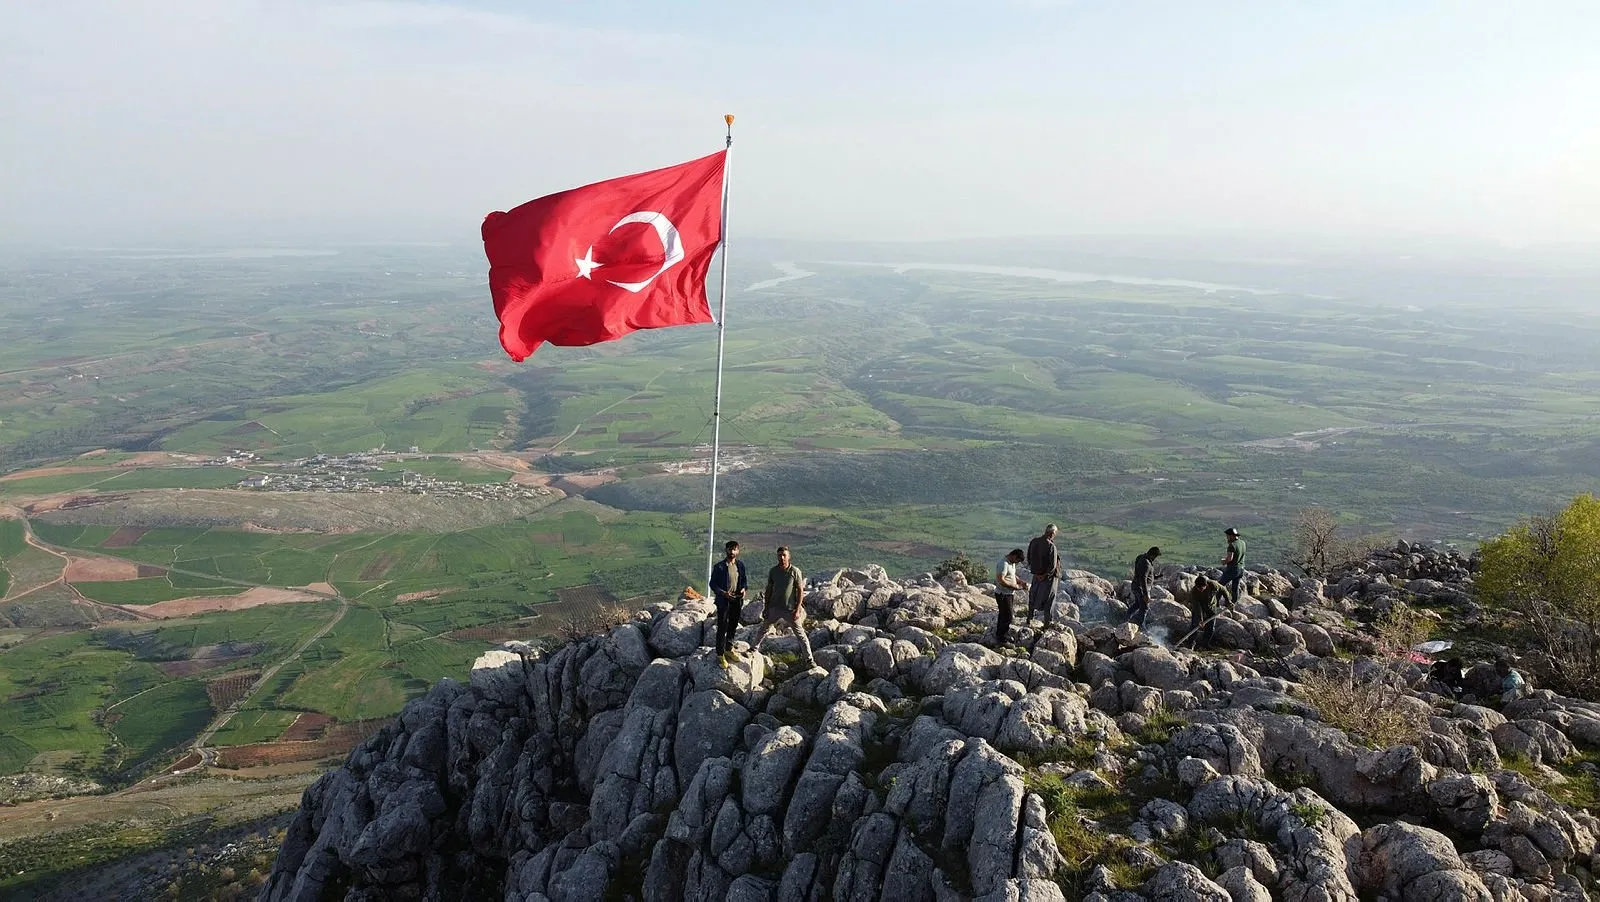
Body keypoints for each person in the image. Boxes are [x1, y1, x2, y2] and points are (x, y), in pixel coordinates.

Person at [748, 546, 815, 667]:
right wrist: (766, 607)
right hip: (775, 607)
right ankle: (753, 649)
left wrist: (798, 609)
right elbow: (769, 589)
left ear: (789, 557)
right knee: (763, 629)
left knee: (800, 634)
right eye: (780, 555)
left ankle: (809, 660)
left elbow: (800, 590)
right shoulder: (773, 571)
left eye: (784, 555)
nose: (782, 557)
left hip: (790, 609)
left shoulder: (795, 571)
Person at [708, 540, 748, 666]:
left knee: (733, 625)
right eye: (730, 549)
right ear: (726, 550)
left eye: (734, 549)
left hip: (736, 600)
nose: (732, 552)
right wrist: (722, 593)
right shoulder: (719, 567)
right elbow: (712, 584)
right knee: (722, 626)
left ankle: (729, 648)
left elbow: (744, 581)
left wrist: (743, 589)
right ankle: (720, 654)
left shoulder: (740, 565)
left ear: (738, 551)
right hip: (723, 601)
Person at [1026, 524, 1062, 628]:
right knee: (1049, 599)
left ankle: (1029, 618)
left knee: (1033, 596)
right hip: (1049, 578)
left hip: (1036, 576)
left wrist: (1036, 573)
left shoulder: (1034, 542)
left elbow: (1029, 558)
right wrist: (1045, 575)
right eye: (1055, 533)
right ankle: (1047, 623)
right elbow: (1053, 566)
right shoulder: (1051, 546)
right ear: (1053, 533)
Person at [1180, 575, 1227, 650]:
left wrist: (1228, 601)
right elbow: (1197, 607)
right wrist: (1200, 620)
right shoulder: (1194, 592)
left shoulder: (1213, 585)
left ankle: (1205, 644)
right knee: (1195, 625)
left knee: (1210, 627)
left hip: (1211, 607)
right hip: (1199, 607)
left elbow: (1223, 589)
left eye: (1201, 588)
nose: (1200, 590)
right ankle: (1191, 642)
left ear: (1206, 585)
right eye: (1198, 588)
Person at [992, 548, 1029, 646]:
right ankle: (1001, 638)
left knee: (1004, 615)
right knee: (1007, 615)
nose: (1017, 563)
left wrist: (1020, 581)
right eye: (1017, 560)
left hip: (1009, 593)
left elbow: (1012, 575)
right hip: (1002, 594)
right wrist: (1015, 586)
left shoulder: (1011, 564)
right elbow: (1001, 580)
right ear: (1014, 556)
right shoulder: (1003, 564)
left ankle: (1001, 634)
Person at [1126, 546, 1161, 626]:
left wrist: (1154, 577)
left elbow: (1140, 572)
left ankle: (1127, 618)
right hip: (1141, 588)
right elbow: (1143, 578)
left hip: (1135, 586)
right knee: (1144, 608)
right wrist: (1145, 594)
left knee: (1137, 604)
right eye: (1155, 556)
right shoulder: (1147, 563)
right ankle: (1140, 626)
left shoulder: (1141, 557)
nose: (1155, 558)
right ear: (1152, 555)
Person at [1220, 527, 1246, 603]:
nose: (1227, 538)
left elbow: (1230, 558)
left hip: (1233, 569)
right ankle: (1234, 602)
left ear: (1231, 536)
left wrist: (1224, 561)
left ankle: (1216, 603)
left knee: (1220, 585)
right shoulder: (1242, 543)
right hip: (1241, 569)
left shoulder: (1232, 545)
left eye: (1227, 536)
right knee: (1235, 587)